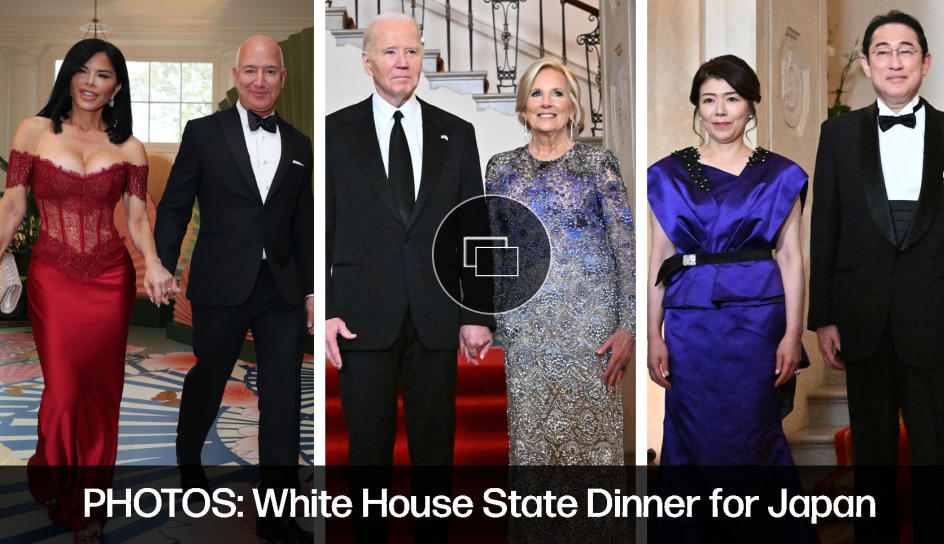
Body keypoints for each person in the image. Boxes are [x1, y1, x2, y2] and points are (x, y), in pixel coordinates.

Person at [0, 38, 173, 541]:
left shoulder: (129, 148)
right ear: (68, 77)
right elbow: (12, 209)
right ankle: (53, 471)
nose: (90, 83)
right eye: (81, 71)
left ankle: (88, 506)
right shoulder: (33, 132)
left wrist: (156, 262)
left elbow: (138, 219)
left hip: (109, 278)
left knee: (101, 394)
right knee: (65, 388)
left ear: (117, 86)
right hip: (52, 275)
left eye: (102, 75)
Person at [153, 34, 313, 543]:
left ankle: (278, 507)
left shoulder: (300, 144)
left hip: (281, 289)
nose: (260, 80)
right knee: (210, 377)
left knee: (284, 394)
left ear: (282, 79)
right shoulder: (203, 133)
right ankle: (188, 459)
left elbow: (303, 224)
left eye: (270, 72)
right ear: (236, 75)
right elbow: (176, 205)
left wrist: (310, 292)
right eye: (251, 71)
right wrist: (162, 264)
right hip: (220, 283)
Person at [809, 11, 944, 542]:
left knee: (935, 452)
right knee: (871, 455)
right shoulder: (838, 134)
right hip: (861, 321)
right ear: (866, 65)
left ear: (926, 61)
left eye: (906, 50)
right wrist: (822, 316)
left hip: (935, 319)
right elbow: (823, 226)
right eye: (883, 51)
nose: (895, 61)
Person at [325, 12, 494, 467]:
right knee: (367, 458)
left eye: (412, 51)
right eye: (390, 51)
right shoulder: (333, 134)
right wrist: (325, 310)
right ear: (367, 62)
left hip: (436, 320)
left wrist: (478, 314)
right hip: (360, 321)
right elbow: (321, 229)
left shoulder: (458, 134)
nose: (403, 61)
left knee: (435, 458)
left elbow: (474, 230)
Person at [647, 55, 806, 466]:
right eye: (708, 100)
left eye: (732, 99)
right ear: (697, 108)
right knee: (691, 431)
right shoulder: (667, 175)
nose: (720, 111)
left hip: (758, 324)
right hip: (689, 323)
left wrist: (792, 334)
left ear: (753, 105)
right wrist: (652, 334)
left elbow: (791, 258)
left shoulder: (783, 175)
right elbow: (660, 256)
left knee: (755, 432)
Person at [484, 57, 635, 465]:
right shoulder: (501, 169)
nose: (546, 102)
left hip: (592, 334)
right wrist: (492, 322)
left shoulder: (598, 164)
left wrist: (629, 326)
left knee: (592, 454)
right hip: (527, 333)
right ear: (522, 107)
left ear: (573, 106)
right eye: (536, 93)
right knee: (533, 453)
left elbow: (625, 247)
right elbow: (496, 254)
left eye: (557, 93)